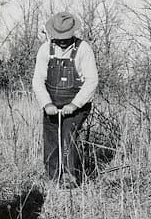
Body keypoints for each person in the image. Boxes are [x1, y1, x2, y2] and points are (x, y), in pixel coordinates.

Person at [31, 11, 100, 187]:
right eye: (59, 36)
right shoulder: (45, 49)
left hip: (77, 104)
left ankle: (70, 178)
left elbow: (92, 81)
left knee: (69, 135)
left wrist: (75, 104)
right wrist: (46, 104)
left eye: (66, 37)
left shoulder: (83, 49)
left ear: (73, 33)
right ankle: (52, 178)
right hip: (52, 103)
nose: (62, 40)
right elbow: (38, 80)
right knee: (51, 138)